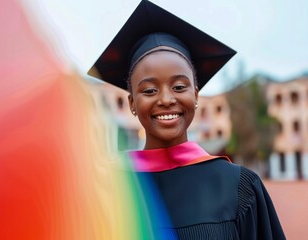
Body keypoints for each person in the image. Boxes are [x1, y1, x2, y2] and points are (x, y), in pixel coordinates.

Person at [89, 1, 285, 239]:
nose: (166, 99)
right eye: (149, 90)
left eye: (179, 86)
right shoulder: (106, 188)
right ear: (132, 103)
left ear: (195, 95)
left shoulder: (239, 187)